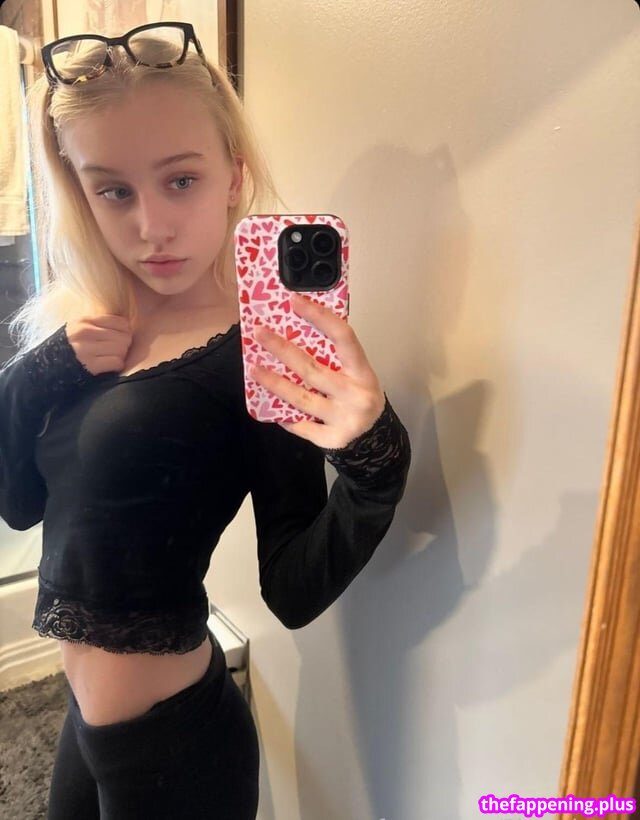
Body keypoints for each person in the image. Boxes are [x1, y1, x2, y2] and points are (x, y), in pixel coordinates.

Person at [1, 21, 411, 820]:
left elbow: (292, 590)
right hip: (82, 725)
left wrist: (376, 462)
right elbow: (18, 505)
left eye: (181, 180)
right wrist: (36, 372)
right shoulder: (91, 326)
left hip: (177, 750)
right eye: (113, 190)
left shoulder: (259, 351)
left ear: (233, 176)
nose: (150, 226)